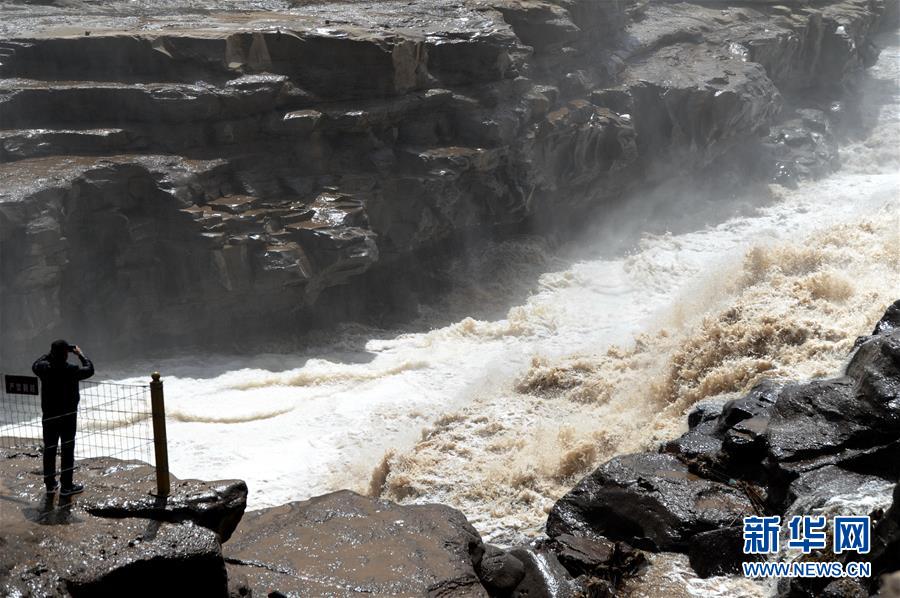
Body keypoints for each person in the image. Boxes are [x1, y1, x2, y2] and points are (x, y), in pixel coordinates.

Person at [32, 340, 94, 496]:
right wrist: (80, 355)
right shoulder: (71, 370)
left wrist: (50, 354)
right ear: (66, 354)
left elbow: (36, 364)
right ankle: (66, 486)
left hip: (49, 416)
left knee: (49, 449)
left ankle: (50, 485)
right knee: (67, 449)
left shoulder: (43, 369)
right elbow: (89, 369)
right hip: (68, 417)